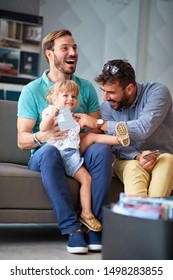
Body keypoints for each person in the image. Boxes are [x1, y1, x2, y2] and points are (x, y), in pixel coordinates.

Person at [17, 29, 113, 255]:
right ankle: (72, 230)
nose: (73, 53)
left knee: (101, 150)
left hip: (75, 151)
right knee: (50, 152)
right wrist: (44, 137)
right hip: (45, 156)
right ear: (49, 54)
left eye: (75, 48)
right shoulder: (32, 91)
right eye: (65, 48)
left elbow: (97, 126)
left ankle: (93, 225)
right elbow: (22, 139)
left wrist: (93, 123)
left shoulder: (86, 88)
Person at [40, 79, 130, 232]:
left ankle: (119, 139)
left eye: (74, 96)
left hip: (71, 153)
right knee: (86, 169)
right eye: (65, 95)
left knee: (91, 143)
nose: (70, 99)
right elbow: (43, 128)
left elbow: (71, 135)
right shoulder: (51, 111)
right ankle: (84, 215)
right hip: (58, 155)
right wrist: (51, 116)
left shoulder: (68, 115)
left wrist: (78, 125)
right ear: (54, 99)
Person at [75, 59, 173, 197]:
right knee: (133, 168)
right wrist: (137, 156)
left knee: (168, 160)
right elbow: (114, 145)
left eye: (111, 92)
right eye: (103, 91)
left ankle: (147, 213)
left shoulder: (156, 92)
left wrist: (98, 123)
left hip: (162, 156)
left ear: (129, 89)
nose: (105, 98)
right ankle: (148, 215)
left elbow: (143, 128)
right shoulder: (107, 108)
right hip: (128, 160)